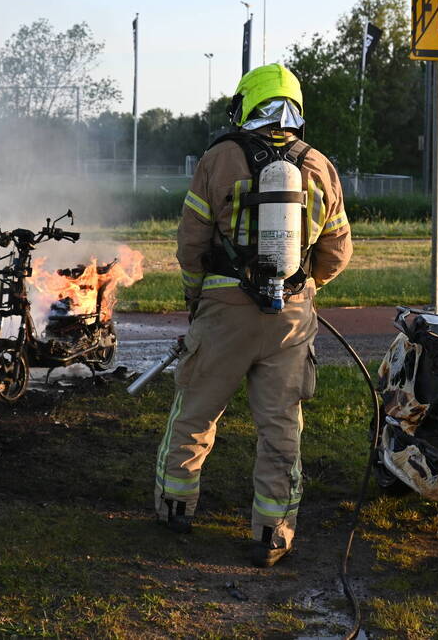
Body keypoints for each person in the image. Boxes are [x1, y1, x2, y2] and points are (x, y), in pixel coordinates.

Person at [153, 63, 353, 567]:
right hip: (290, 316)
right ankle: (272, 533)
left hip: (224, 310)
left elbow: (192, 242)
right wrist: (302, 290)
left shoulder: (219, 158)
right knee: (281, 426)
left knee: (196, 411)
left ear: (246, 104)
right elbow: (337, 253)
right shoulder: (320, 166)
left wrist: (198, 299)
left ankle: (175, 505)